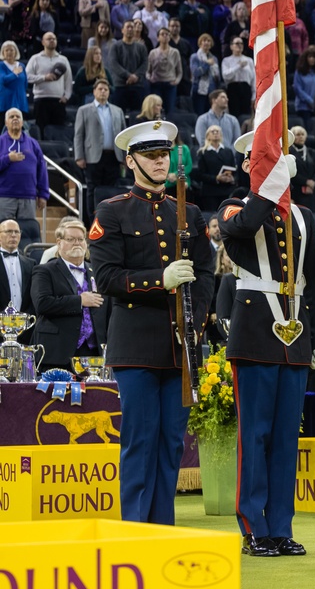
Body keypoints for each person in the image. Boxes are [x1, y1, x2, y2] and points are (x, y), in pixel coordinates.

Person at [88, 120, 214, 524]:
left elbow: (208, 271)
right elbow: (107, 278)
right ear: (131, 161)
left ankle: (163, 529)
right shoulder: (112, 211)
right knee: (140, 441)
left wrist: (195, 321)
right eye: (151, 155)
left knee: (171, 444)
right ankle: (136, 531)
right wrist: (159, 280)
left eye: (164, 155)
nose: (160, 162)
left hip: (179, 346)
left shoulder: (189, 212)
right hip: (136, 342)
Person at [219, 131, 315, 557]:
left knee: (286, 438)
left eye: (278, 158)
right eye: (265, 159)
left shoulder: (304, 217)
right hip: (255, 336)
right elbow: (245, 226)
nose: (274, 164)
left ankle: (281, 526)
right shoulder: (233, 206)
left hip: (295, 336)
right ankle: (253, 526)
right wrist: (268, 188)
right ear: (248, 165)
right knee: (256, 435)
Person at [30, 220, 107, 372]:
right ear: (59, 243)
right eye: (70, 239)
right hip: (57, 352)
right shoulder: (44, 271)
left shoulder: (97, 272)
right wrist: (79, 301)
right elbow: (42, 303)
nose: (76, 243)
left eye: (80, 239)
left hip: (93, 352)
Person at [74, 78, 126, 220]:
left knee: (112, 191)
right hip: (92, 156)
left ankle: (110, 221)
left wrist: (124, 156)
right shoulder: (84, 110)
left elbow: (123, 134)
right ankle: (93, 222)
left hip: (113, 156)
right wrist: (79, 156)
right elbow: (79, 135)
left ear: (109, 92)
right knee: (93, 190)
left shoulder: (117, 111)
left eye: (106, 89)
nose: (103, 92)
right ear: (94, 91)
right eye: (100, 89)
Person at [0, 108, 48, 220]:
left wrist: (43, 194)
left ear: (22, 122)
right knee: (3, 233)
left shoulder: (33, 143)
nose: (15, 119)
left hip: (28, 197)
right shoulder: (1, 142)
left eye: (18, 117)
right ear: (6, 122)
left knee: (26, 233)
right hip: (4, 196)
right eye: (11, 117)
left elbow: (42, 170)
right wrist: (7, 159)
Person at [26, 31, 73, 131]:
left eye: (54, 39)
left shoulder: (63, 59)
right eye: (49, 39)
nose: (52, 40)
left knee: (58, 131)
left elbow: (68, 80)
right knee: (41, 130)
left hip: (58, 101)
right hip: (41, 100)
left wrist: (67, 96)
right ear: (43, 42)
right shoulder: (35, 58)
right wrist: (43, 78)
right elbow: (27, 77)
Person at [105, 21, 148, 114]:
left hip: (138, 85)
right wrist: (128, 75)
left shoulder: (141, 47)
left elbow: (145, 64)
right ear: (122, 30)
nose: (130, 29)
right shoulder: (115, 46)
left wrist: (136, 76)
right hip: (120, 85)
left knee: (136, 115)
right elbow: (114, 64)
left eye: (132, 27)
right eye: (128, 27)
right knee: (118, 114)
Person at [194, 125, 238, 215]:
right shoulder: (202, 153)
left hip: (227, 190)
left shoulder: (228, 151)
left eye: (217, 131)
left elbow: (235, 170)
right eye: (213, 131)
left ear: (221, 135)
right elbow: (200, 175)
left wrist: (233, 179)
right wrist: (216, 178)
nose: (215, 133)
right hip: (210, 192)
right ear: (207, 136)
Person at [0, 220, 34, 315]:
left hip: (24, 323)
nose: (13, 235)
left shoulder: (31, 264)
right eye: (9, 231)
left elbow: (33, 296)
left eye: (17, 232)